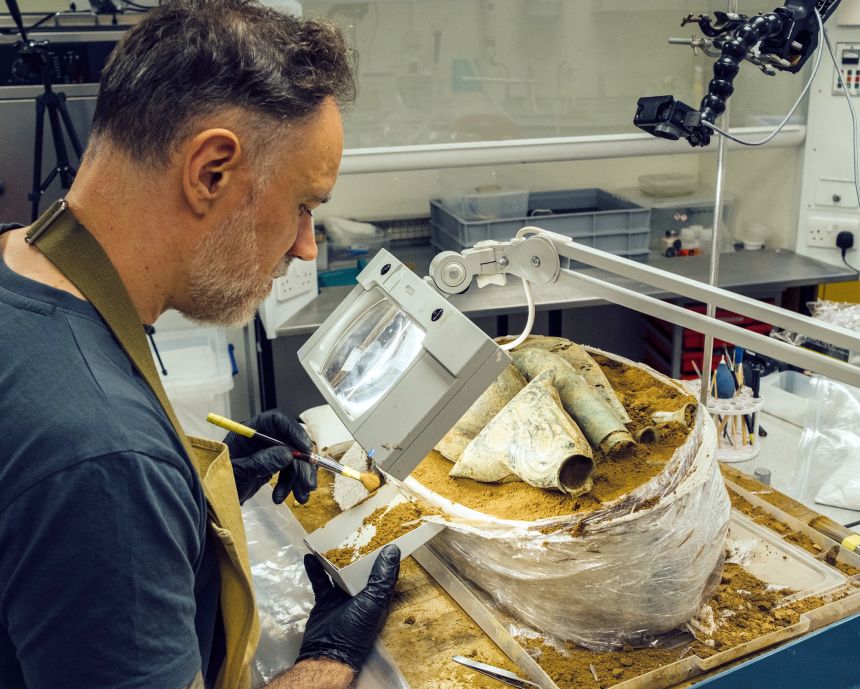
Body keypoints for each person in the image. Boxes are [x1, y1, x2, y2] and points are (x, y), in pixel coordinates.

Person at [0, 2, 400, 688]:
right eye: (304, 206)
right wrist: (328, 657)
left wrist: (202, 488)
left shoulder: (20, 263)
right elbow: (94, 468)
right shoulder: (104, 457)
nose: (305, 246)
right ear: (211, 171)